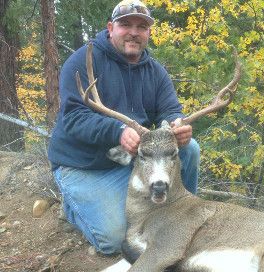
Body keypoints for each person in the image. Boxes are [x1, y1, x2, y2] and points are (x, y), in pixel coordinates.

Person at [48, 0, 200, 255]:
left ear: (148, 33)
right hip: (83, 165)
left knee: (189, 149)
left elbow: (170, 109)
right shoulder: (82, 62)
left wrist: (178, 124)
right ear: (110, 28)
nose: (134, 32)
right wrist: (117, 131)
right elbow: (73, 117)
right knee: (116, 240)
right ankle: (73, 208)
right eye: (125, 24)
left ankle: (178, 216)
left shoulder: (155, 71)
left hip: (129, 160)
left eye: (142, 27)